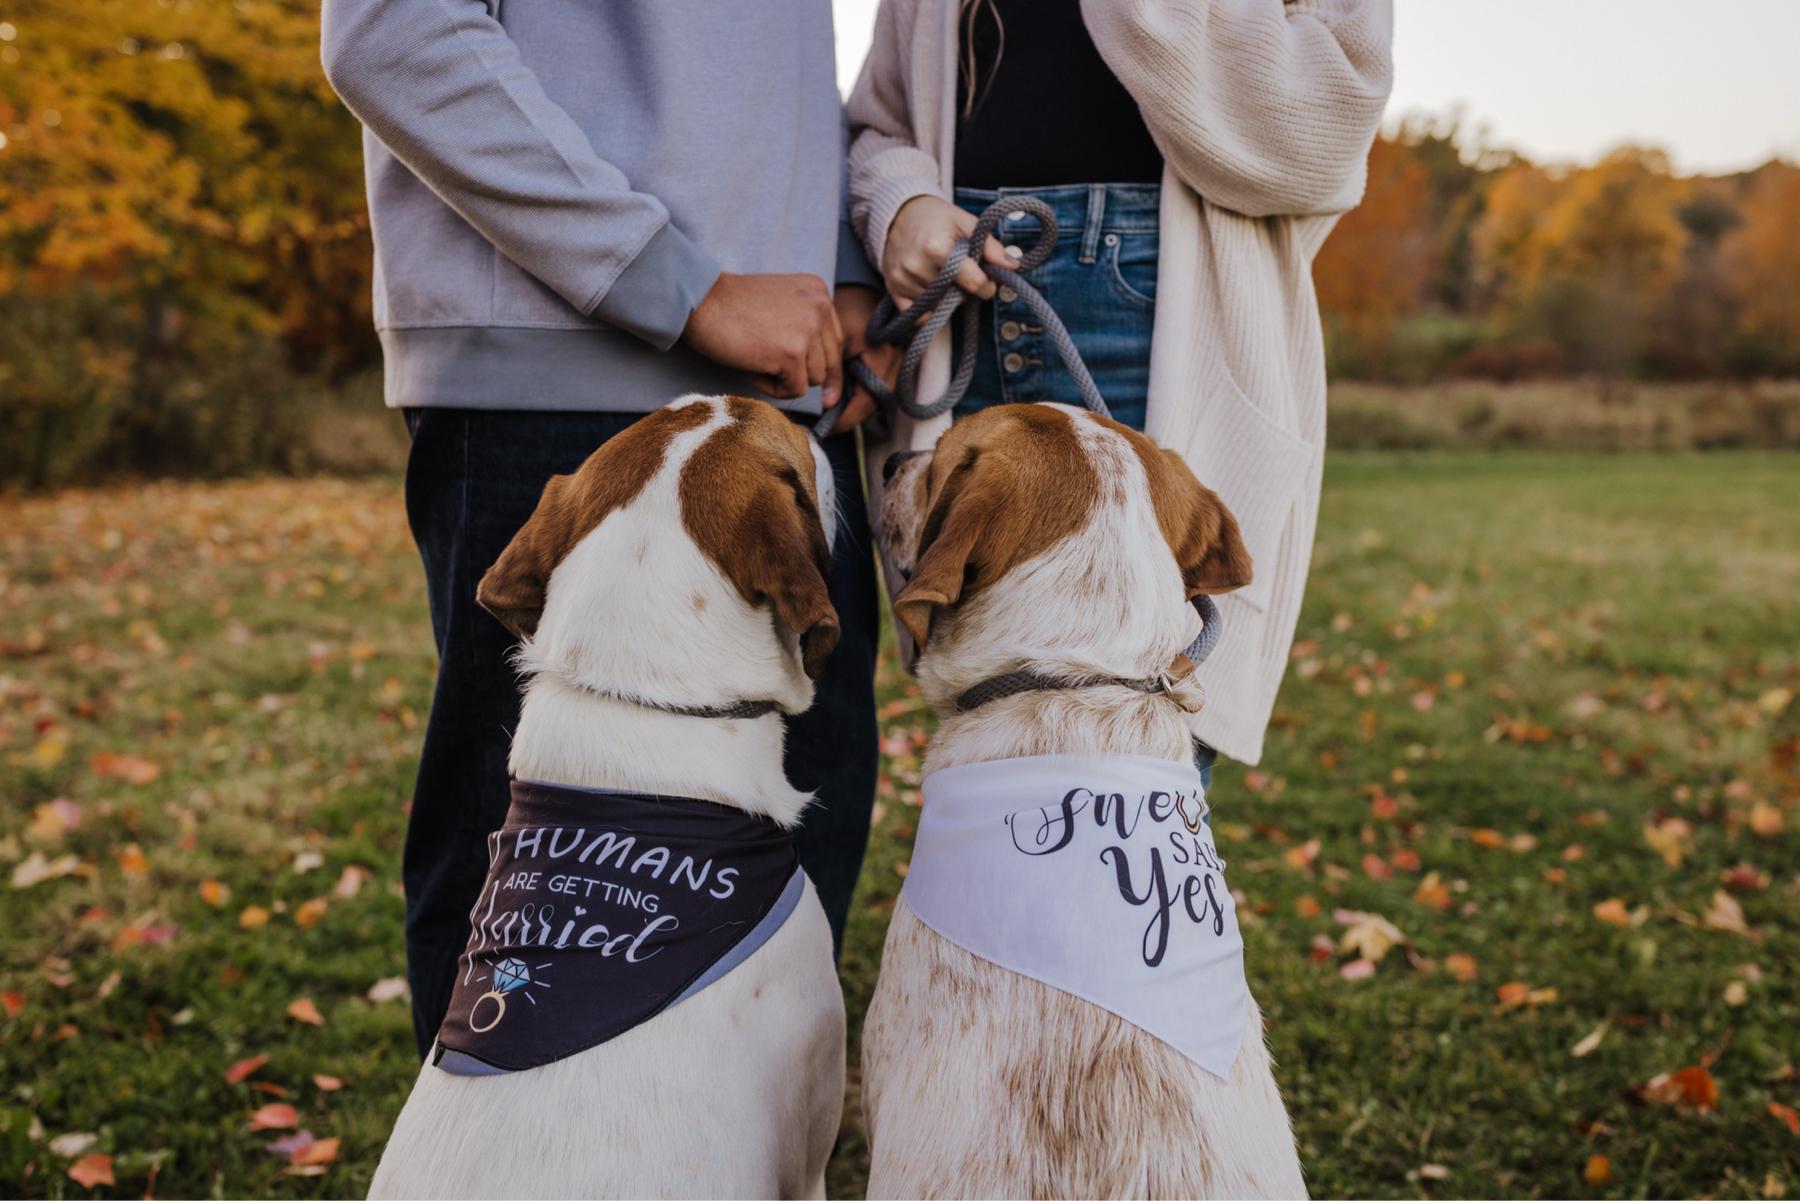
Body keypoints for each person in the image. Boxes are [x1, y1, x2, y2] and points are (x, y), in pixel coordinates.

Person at [319, 0, 885, 1057]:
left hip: (783, 388)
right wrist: (681, 283)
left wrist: (844, 271)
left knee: (807, 817)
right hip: (552, 370)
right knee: (524, 864)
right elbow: (392, 34)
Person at [847, 0, 1394, 773]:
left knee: (1142, 743)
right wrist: (901, 204)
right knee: (978, 736)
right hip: (963, 299)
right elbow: (880, 124)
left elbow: (1323, 136)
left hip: (1162, 319)